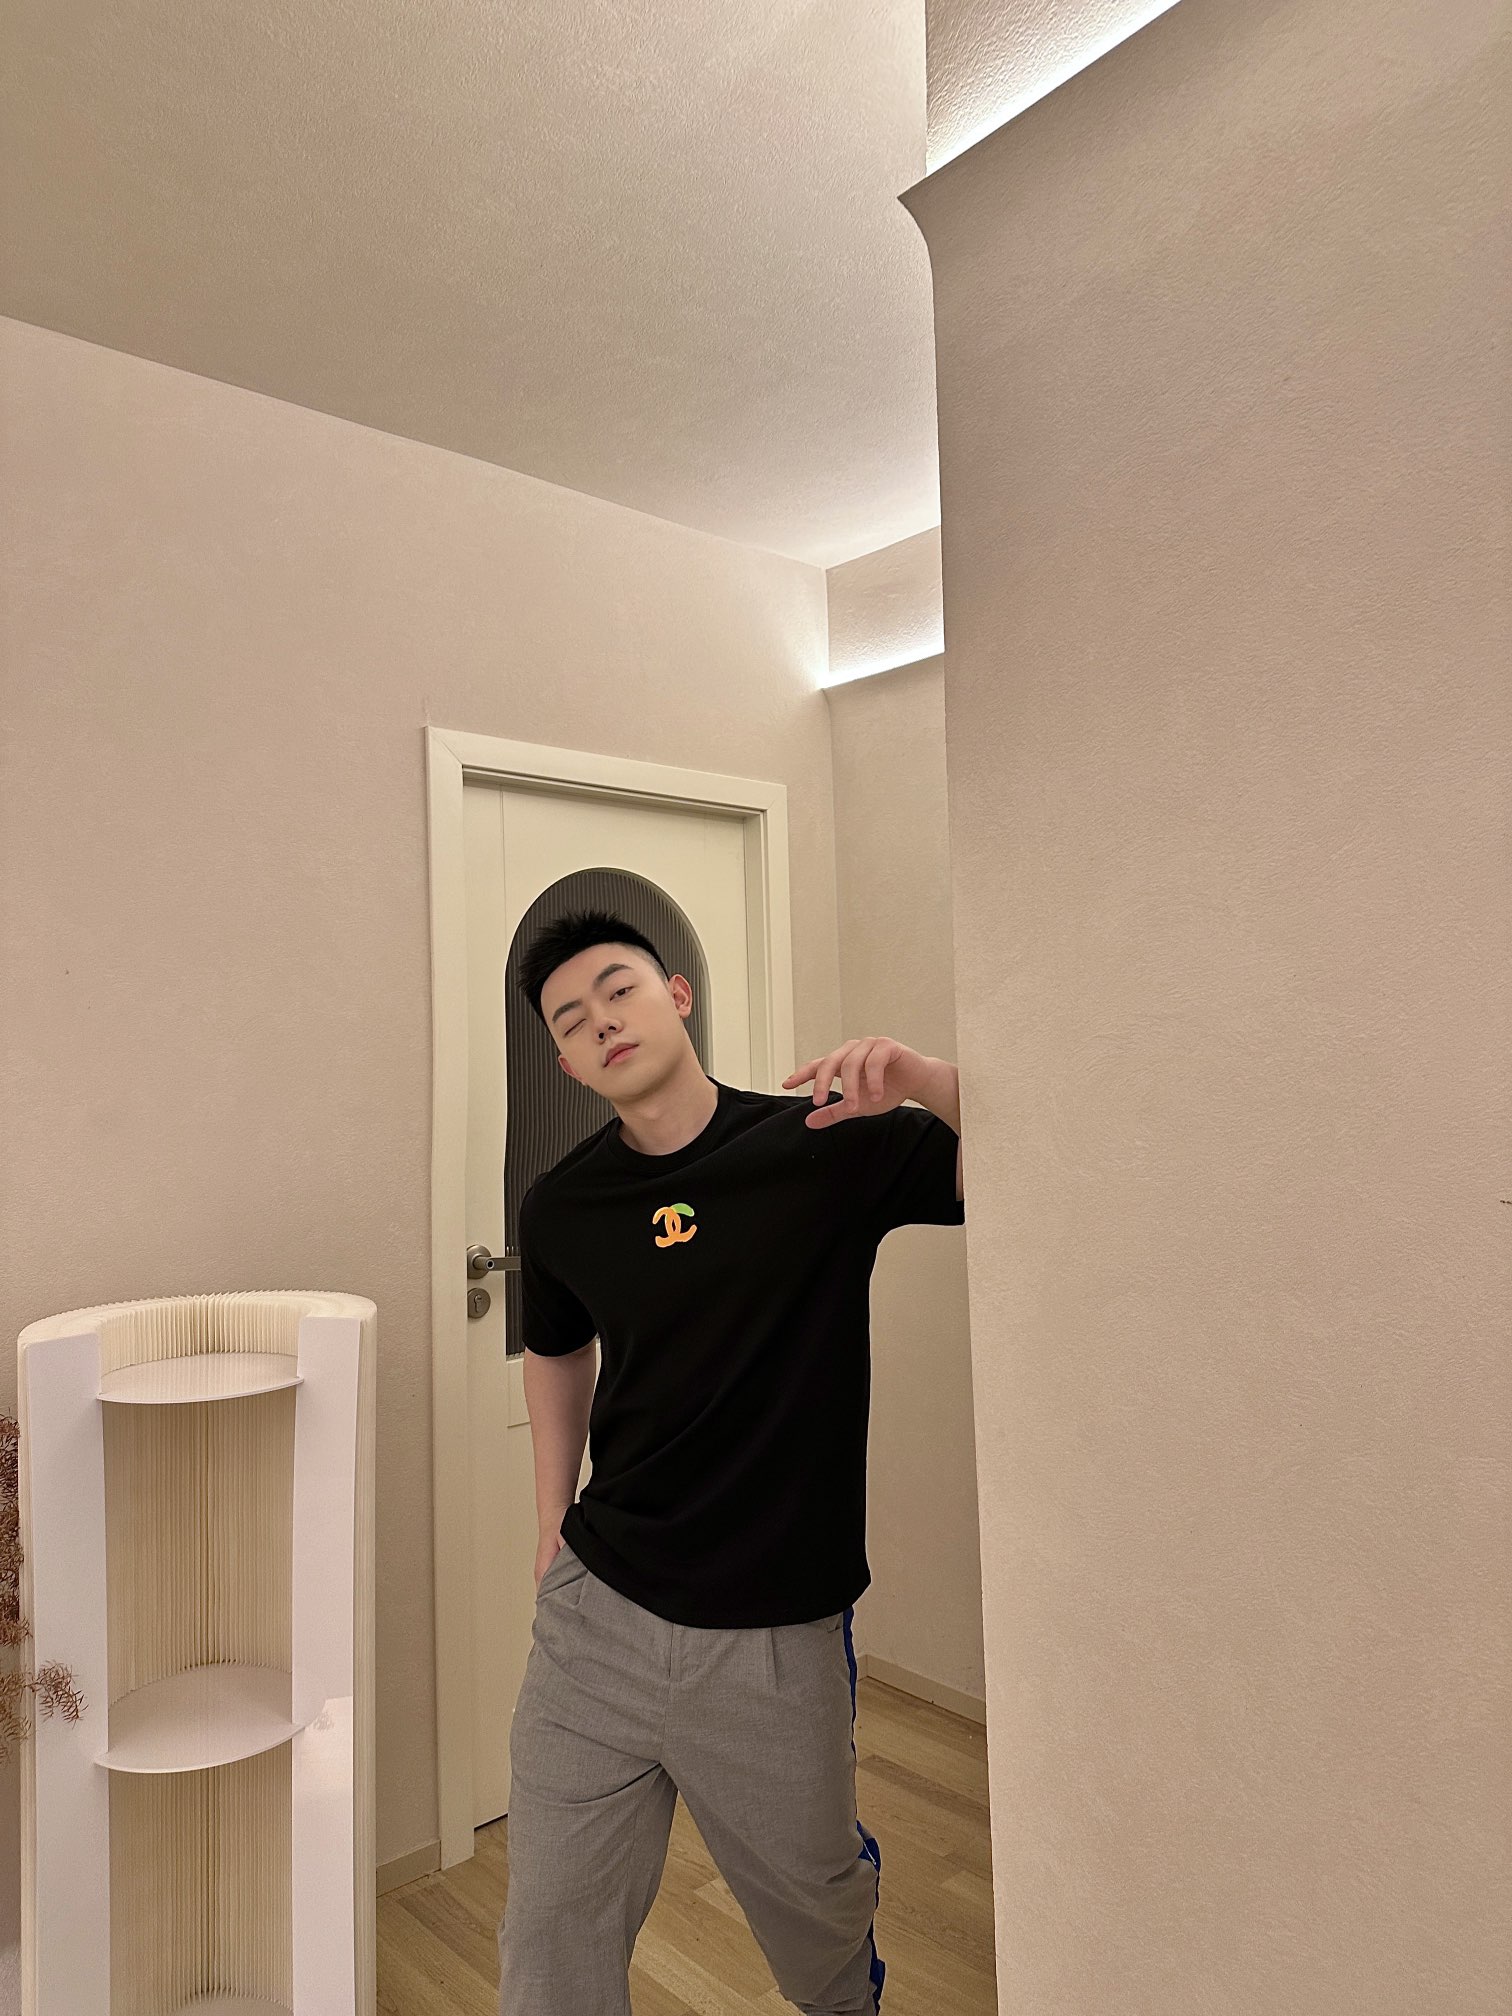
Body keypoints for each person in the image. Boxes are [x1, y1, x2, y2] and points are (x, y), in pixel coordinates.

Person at [496, 904, 966, 2016]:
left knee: (816, 1923)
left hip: (773, 1634)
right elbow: (554, 1350)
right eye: (571, 1019)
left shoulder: (823, 1143)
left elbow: (1021, 1160)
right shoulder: (562, 1205)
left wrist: (921, 1078)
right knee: (550, 1927)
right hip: (597, 1617)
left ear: (678, 996)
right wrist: (552, 1514)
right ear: (566, 1062)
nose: (601, 1021)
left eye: (619, 989)